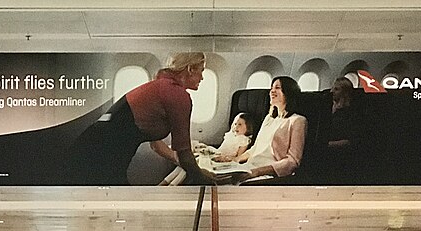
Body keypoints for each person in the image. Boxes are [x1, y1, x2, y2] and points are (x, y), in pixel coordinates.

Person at [70, 52, 221, 186]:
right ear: (190, 69)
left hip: (91, 147)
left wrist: (183, 163)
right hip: (99, 155)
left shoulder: (161, 87)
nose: (202, 77)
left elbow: (157, 146)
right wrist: (206, 180)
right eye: (201, 71)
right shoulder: (177, 95)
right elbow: (183, 151)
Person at [236, 76, 307, 181]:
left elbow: (293, 161)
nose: (272, 91)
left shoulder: (297, 121)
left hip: (268, 173)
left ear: (288, 93)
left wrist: (258, 171)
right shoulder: (269, 119)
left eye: (277, 88)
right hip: (249, 167)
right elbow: (256, 149)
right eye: (271, 88)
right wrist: (234, 160)